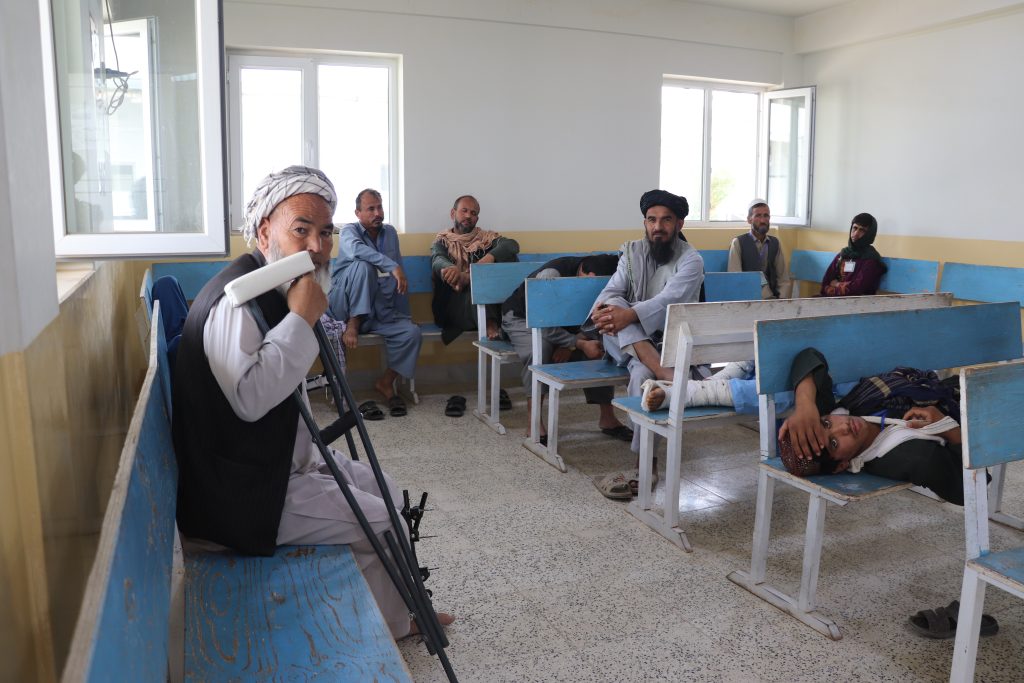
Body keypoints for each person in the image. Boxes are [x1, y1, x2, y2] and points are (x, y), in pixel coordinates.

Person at [171, 166, 452, 639]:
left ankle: (402, 608)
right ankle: (398, 624)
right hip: (242, 496)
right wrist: (302, 318)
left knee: (385, 487)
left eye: (324, 233)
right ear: (265, 231)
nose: (317, 247)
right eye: (300, 230)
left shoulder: (270, 289)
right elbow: (252, 399)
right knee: (381, 520)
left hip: (277, 462)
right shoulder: (235, 302)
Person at [589, 190, 704, 498]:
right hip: (624, 341)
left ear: (679, 223)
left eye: (666, 220)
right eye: (652, 220)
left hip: (666, 340)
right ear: (644, 222)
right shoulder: (631, 252)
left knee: (641, 376)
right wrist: (615, 310)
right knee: (613, 313)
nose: (658, 227)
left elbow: (671, 301)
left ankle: (646, 465)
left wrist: (630, 314)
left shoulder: (691, 260)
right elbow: (612, 291)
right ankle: (664, 373)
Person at [499, 254, 631, 443]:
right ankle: (534, 422)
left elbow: (595, 319)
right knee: (540, 350)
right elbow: (541, 322)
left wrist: (572, 344)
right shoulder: (551, 275)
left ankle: (607, 418)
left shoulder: (606, 278)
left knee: (598, 350)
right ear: (589, 275)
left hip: (566, 327)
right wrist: (575, 343)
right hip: (522, 319)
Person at [328, 189, 421, 417]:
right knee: (363, 265)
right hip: (345, 307)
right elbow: (359, 252)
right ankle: (354, 323)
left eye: (379, 207)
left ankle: (386, 383)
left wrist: (403, 314)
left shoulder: (390, 233)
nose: (377, 213)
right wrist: (390, 266)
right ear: (358, 213)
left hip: (379, 309)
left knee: (412, 333)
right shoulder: (349, 231)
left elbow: (399, 276)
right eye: (371, 209)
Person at [431, 195, 520, 343]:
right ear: (453, 213)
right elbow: (437, 260)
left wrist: (486, 260)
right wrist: (450, 267)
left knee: (507, 258)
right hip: (454, 308)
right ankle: (489, 323)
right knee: (477, 281)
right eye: (464, 211)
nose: (468, 216)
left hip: (487, 303)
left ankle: (470, 279)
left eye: (473, 213)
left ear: (477, 219)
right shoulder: (442, 242)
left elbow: (512, 245)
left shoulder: (485, 239)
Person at [727, 199, 791, 299]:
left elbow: (783, 279)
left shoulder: (775, 243)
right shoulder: (738, 243)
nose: (762, 220)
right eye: (758, 216)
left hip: (773, 301)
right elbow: (735, 279)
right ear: (749, 219)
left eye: (766, 216)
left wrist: (781, 303)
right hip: (748, 300)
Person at [819, 213, 887, 296]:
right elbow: (825, 283)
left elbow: (855, 290)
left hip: (858, 305)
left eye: (862, 230)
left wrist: (836, 284)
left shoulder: (871, 260)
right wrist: (844, 286)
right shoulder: (843, 255)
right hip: (833, 302)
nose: (856, 233)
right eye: (855, 228)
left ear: (870, 234)